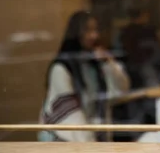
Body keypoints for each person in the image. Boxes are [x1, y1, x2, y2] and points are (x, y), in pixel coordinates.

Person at [39, 11, 131, 142]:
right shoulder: (61, 68)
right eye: (88, 30)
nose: (94, 35)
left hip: (89, 141)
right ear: (76, 33)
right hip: (65, 142)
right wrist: (92, 145)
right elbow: (71, 115)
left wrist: (108, 62)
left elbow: (122, 89)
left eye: (95, 30)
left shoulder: (94, 65)